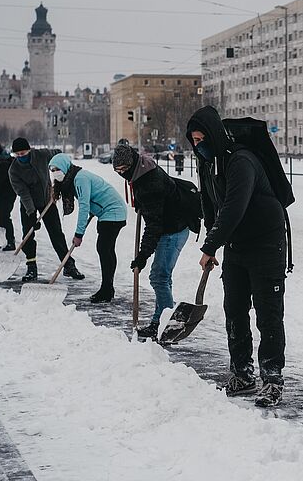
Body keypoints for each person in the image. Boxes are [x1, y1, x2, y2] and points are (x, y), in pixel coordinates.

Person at [186, 106, 288, 408]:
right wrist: (212, 238)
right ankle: (242, 373)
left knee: (268, 315)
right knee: (234, 309)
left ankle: (272, 380)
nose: (198, 144)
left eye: (202, 138)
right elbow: (210, 204)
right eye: (193, 140)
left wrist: (210, 246)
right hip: (237, 246)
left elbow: (234, 207)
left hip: (266, 243)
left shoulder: (241, 160)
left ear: (215, 134)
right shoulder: (207, 163)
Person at [112, 143, 190, 337]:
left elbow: (154, 226)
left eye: (123, 170)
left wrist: (142, 256)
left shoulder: (148, 184)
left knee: (158, 277)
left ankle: (166, 325)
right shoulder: (143, 167)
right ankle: (160, 320)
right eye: (117, 170)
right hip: (173, 224)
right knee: (163, 278)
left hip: (172, 230)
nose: (121, 173)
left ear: (131, 164)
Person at [48, 153, 127, 303]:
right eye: (52, 170)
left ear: (65, 166)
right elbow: (91, 202)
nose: (55, 172)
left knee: (104, 249)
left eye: (57, 169)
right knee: (106, 249)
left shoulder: (80, 179)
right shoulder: (74, 177)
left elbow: (84, 206)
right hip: (108, 213)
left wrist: (79, 234)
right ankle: (108, 289)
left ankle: (106, 290)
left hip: (112, 212)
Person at [8, 138, 85, 283]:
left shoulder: (41, 155)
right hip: (27, 203)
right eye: (17, 154)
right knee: (28, 235)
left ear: (29, 150)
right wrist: (31, 212)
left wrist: (60, 170)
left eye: (23, 153)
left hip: (47, 200)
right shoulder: (14, 170)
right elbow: (23, 192)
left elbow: (58, 155)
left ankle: (68, 265)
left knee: (56, 233)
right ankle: (31, 267)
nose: (20, 156)